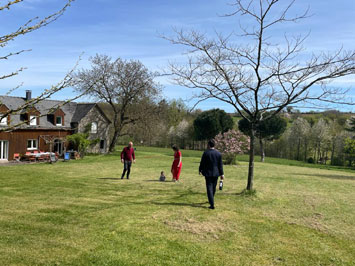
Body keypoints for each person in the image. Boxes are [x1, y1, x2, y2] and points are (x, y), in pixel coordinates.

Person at [199, 139, 224, 209]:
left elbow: (202, 163)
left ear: (208, 145)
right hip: (216, 173)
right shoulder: (218, 153)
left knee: (209, 188)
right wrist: (222, 174)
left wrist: (200, 169)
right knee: (213, 187)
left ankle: (212, 204)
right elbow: (220, 165)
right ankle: (211, 199)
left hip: (208, 173)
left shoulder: (206, 153)